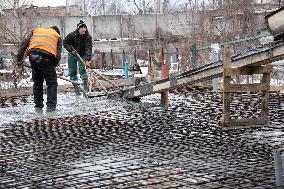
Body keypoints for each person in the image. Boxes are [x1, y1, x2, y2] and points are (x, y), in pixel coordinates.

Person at [16, 26, 62, 112]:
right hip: (46, 59)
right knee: (52, 83)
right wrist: (53, 65)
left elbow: (24, 43)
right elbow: (58, 55)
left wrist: (19, 57)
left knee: (37, 82)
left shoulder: (36, 31)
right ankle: (51, 107)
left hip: (33, 57)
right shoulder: (57, 36)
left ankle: (38, 105)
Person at [63, 20, 92, 94]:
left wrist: (87, 60)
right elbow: (65, 42)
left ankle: (85, 90)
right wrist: (70, 50)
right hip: (72, 55)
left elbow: (88, 48)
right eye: (82, 28)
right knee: (72, 73)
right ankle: (77, 90)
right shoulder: (72, 35)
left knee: (82, 71)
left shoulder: (88, 37)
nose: (84, 29)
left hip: (82, 55)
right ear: (78, 29)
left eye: (85, 28)